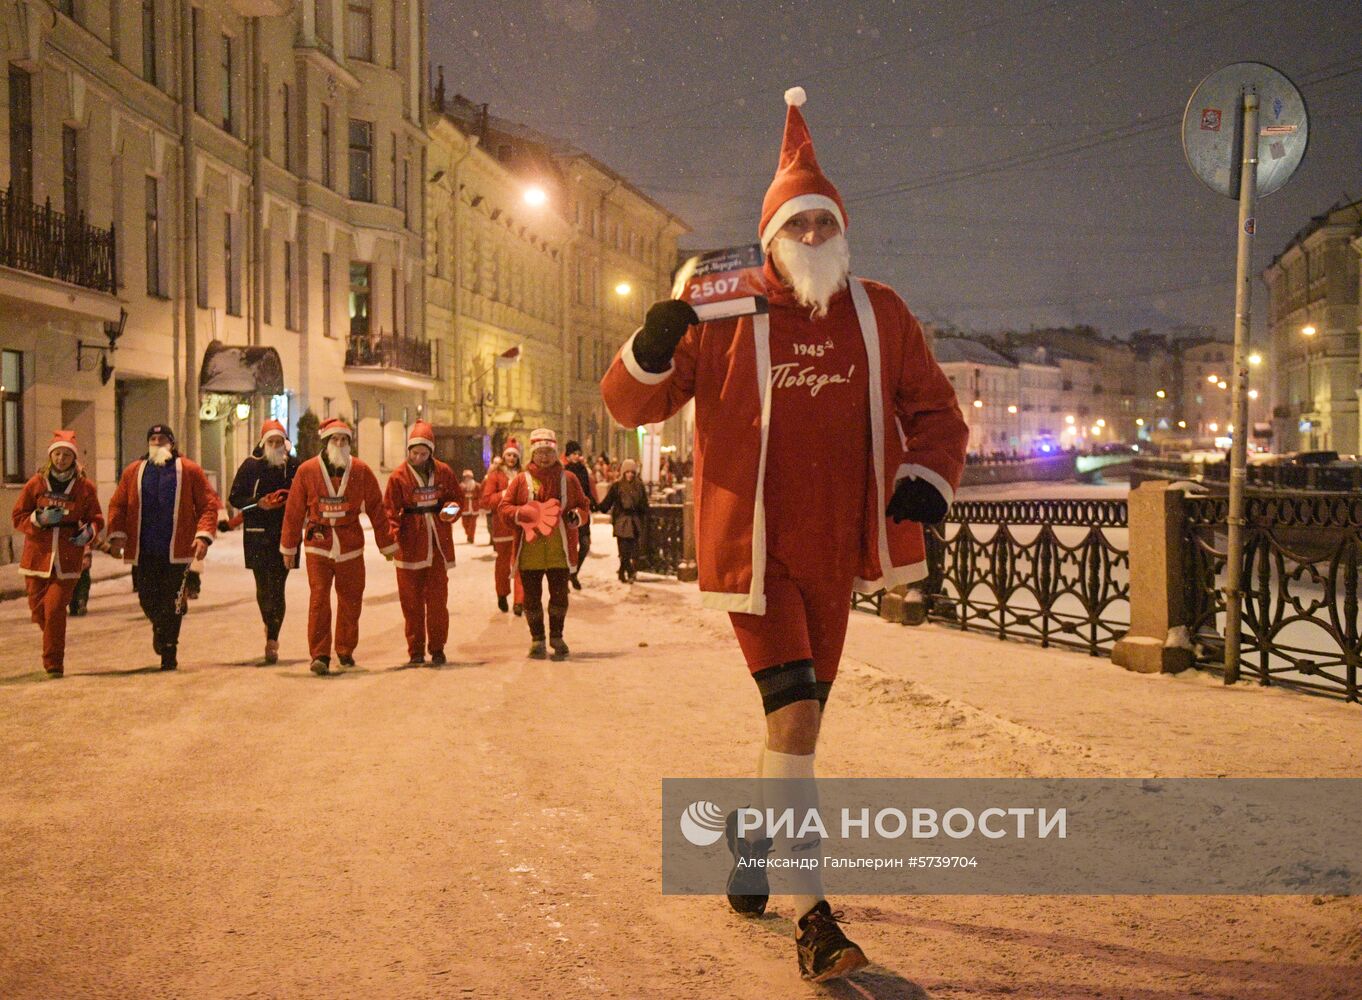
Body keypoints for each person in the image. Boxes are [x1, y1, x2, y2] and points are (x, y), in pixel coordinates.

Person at [601, 87, 969, 983]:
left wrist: (923, 482)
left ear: (839, 231)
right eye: (793, 227)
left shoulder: (879, 312)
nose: (809, 240)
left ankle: (755, 847)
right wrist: (651, 344)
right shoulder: (723, 316)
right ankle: (815, 921)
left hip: (836, 557)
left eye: (820, 224)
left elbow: (936, 412)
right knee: (796, 718)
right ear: (767, 240)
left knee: (795, 734)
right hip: (754, 559)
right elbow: (628, 404)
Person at [280, 417, 395, 676]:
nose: (340, 443)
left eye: (344, 439)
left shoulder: (361, 471)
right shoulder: (307, 471)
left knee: (351, 600)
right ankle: (320, 654)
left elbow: (377, 508)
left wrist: (386, 543)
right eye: (335, 439)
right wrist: (289, 546)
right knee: (319, 599)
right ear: (326, 442)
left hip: (351, 546)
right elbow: (294, 510)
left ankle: (344, 649)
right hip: (318, 545)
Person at [106, 424, 221, 671]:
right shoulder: (134, 471)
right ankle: (160, 626)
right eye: (153, 438)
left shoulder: (188, 470)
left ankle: (169, 649)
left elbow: (208, 505)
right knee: (147, 597)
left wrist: (202, 536)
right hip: (145, 548)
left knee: (174, 602)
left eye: (162, 438)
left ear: (172, 443)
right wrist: (116, 535)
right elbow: (118, 505)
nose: (157, 442)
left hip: (178, 550)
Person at [12, 431, 104, 677]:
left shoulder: (85, 487)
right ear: (50, 456)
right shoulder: (36, 484)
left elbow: (96, 519)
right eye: (57, 454)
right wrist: (39, 518)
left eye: (66, 455)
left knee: (54, 610)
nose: (61, 459)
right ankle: (53, 640)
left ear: (74, 458)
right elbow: (18, 517)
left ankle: (53, 663)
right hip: (37, 557)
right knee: (38, 611)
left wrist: (88, 534)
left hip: (67, 557)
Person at [497, 428, 591, 660]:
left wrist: (575, 517)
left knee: (559, 595)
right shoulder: (521, 480)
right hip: (530, 550)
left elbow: (584, 506)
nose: (545, 457)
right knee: (532, 597)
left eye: (549, 451)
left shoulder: (568, 478)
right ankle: (537, 639)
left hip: (559, 548)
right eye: (540, 452)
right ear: (532, 454)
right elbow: (504, 509)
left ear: (556, 452)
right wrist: (522, 513)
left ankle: (557, 635)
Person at [384, 422, 460, 666]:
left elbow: (455, 499)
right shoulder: (397, 477)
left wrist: (449, 512)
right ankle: (415, 651)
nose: (417, 457)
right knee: (411, 602)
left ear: (431, 453)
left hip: (437, 543)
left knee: (438, 601)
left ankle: (438, 648)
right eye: (414, 453)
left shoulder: (444, 472)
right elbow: (390, 511)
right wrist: (391, 538)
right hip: (409, 545)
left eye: (423, 453)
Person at [227, 418, 300, 664]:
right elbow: (235, 497)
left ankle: (273, 637)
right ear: (263, 442)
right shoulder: (251, 466)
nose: (276, 445)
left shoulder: (294, 467)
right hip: (258, 535)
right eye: (272, 441)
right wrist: (258, 502)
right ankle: (269, 623)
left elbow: (304, 495)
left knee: (277, 587)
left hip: (285, 534)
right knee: (263, 588)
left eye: (280, 441)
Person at [480, 440, 525, 614]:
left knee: (522, 562)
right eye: (509, 455)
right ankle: (502, 593)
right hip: (503, 526)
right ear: (504, 456)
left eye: (515, 455)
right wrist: (504, 494)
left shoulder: (523, 474)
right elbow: (486, 501)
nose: (512, 458)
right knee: (503, 563)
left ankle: (520, 601)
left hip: (522, 525)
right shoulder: (495, 476)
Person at [597, 458, 649, 583]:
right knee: (623, 550)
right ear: (623, 472)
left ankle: (622, 572)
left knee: (630, 550)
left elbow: (645, 505)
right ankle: (629, 571)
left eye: (632, 472)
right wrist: (596, 505)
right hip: (621, 521)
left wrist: (640, 512)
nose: (630, 474)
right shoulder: (617, 486)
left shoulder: (639, 486)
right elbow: (607, 503)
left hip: (634, 522)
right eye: (627, 472)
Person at [562, 440, 597, 590]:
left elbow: (587, 491)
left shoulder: (583, 471)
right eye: (573, 454)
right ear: (568, 456)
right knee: (567, 548)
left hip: (582, 514)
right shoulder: (563, 472)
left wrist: (593, 503)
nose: (576, 456)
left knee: (585, 545)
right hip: (568, 515)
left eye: (578, 453)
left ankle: (573, 573)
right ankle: (565, 578)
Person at [459, 468, 482, 544]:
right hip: (465, 507)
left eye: (469, 477)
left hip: (474, 507)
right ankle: (468, 534)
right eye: (466, 477)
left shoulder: (477, 485)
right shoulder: (461, 486)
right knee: (464, 523)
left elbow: (480, 495)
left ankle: (471, 537)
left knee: (472, 524)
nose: (467, 478)